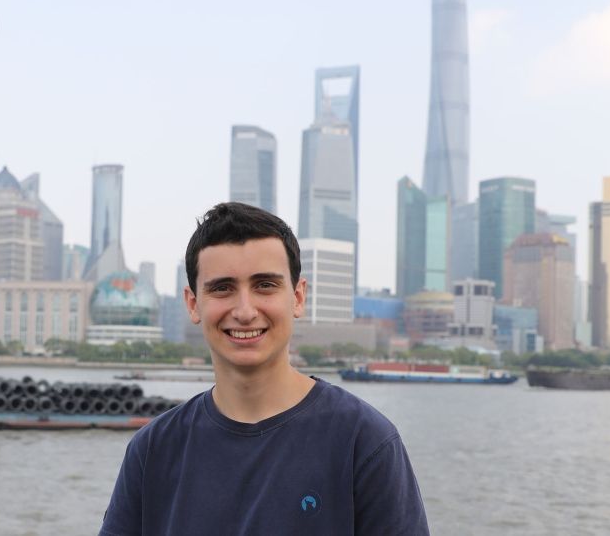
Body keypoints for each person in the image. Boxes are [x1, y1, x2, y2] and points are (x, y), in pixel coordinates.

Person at [99, 202, 428, 535]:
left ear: (298, 297)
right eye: (222, 288)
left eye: (265, 285)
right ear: (193, 304)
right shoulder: (153, 450)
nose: (244, 311)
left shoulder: (365, 441)